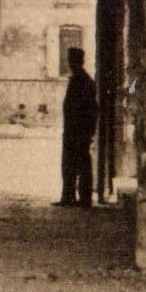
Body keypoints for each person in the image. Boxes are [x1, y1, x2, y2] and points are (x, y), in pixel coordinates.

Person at [55, 47, 97, 208]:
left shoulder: (82, 81)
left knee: (76, 163)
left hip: (77, 130)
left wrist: (86, 129)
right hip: (76, 130)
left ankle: (79, 197)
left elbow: (89, 108)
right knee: (75, 163)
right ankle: (73, 196)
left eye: (71, 60)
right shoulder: (83, 80)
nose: (70, 63)